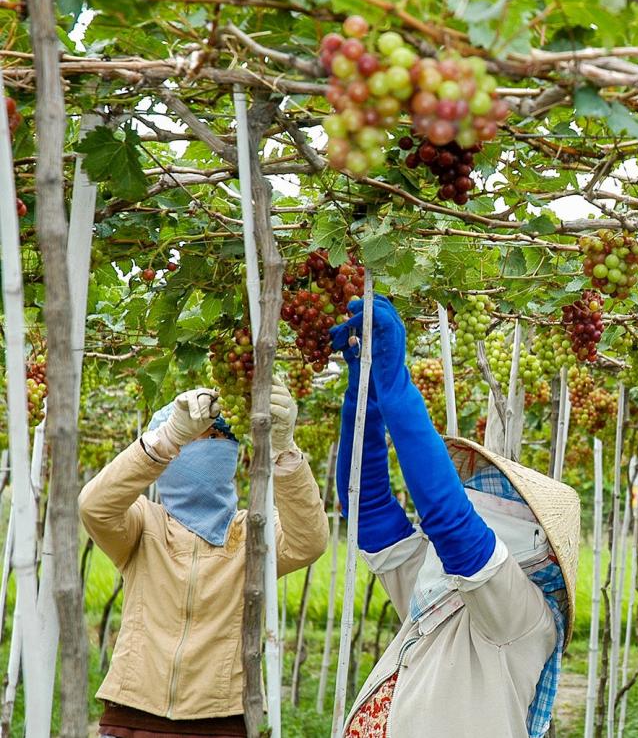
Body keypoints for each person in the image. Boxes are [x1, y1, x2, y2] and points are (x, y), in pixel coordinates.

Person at [331, 295, 579, 738]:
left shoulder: (522, 618)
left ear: (539, 546)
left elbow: (452, 524)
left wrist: (396, 383)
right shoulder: (439, 592)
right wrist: (363, 393)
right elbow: (366, 511)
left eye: (501, 503)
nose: (482, 505)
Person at [80, 383, 329, 737]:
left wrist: (285, 451)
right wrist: (166, 439)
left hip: (222, 718)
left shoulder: (250, 533)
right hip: (133, 713)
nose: (212, 446)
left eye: (219, 437)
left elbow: (310, 541)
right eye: (196, 438)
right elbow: (94, 506)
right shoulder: (145, 525)